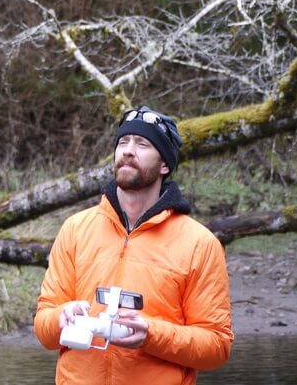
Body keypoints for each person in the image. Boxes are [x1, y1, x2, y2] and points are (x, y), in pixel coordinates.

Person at [34, 105, 233, 384]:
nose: (128, 150)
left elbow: (216, 346)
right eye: (123, 142)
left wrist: (150, 335)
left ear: (164, 164)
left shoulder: (199, 244)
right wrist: (59, 318)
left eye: (142, 144)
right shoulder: (76, 230)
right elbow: (43, 328)